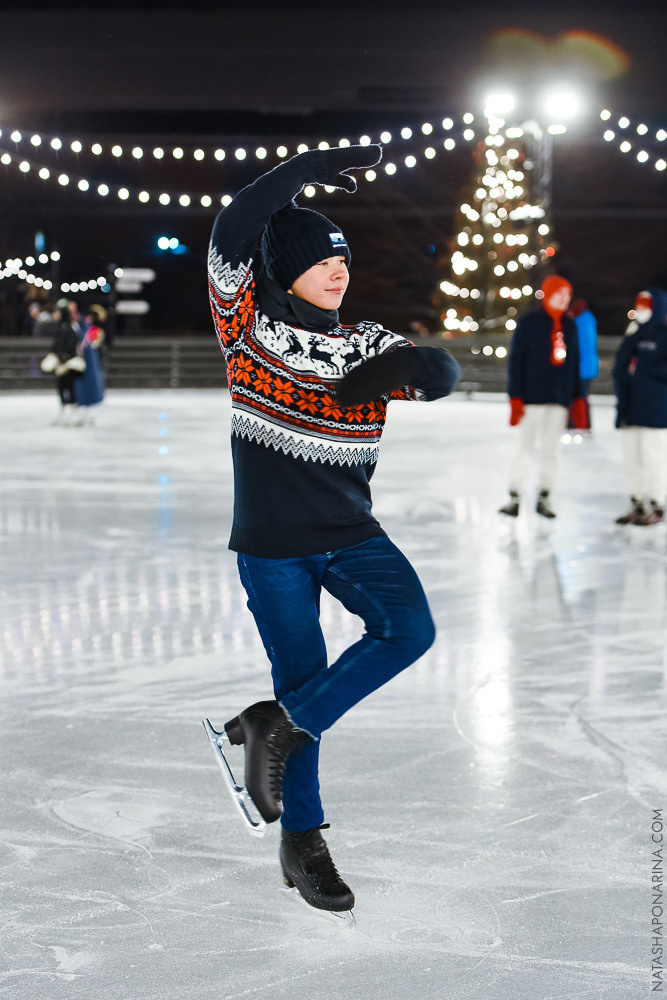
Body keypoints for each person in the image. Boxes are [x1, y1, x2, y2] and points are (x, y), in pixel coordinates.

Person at [206, 144, 460, 915]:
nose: (337, 269)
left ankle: (269, 729)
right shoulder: (243, 329)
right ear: (284, 269)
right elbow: (233, 225)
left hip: (351, 535)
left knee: (407, 631)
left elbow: (441, 373)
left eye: (341, 258)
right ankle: (303, 842)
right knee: (301, 683)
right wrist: (305, 166)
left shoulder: (364, 341)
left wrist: (402, 370)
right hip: (273, 548)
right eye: (321, 260)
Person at [498, 275, 586, 519]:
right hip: (531, 398)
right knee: (524, 447)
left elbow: (574, 363)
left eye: (568, 295)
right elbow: (516, 361)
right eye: (560, 294)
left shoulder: (569, 326)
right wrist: (515, 396)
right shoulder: (529, 323)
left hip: (558, 399)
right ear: (548, 294)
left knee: (551, 450)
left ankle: (544, 495)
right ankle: (515, 495)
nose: (565, 299)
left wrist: (578, 398)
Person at [612, 287, 667, 526]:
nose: (641, 310)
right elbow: (620, 369)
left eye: (646, 305)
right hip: (630, 409)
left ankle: (658, 502)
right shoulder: (633, 334)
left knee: (654, 456)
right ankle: (637, 501)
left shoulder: (663, 336)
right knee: (632, 457)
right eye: (639, 305)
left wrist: (644, 371)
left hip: (655, 411)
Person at [39, 305, 85, 424]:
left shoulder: (68, 328)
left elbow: (71, 345)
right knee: (62, 388)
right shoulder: (60, 328)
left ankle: (74, 414)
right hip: (60, 364)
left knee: (70, 389)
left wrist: (63, 357)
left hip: (68, 365)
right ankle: (64, 413)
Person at [568, 298, 598, 431]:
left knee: (580, 396)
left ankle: (580, 424)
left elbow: (581, 345)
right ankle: (582, 424)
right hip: (587, 366)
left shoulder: (581, 322)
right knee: (582, 397)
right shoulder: (587, 321)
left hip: (582, 367)